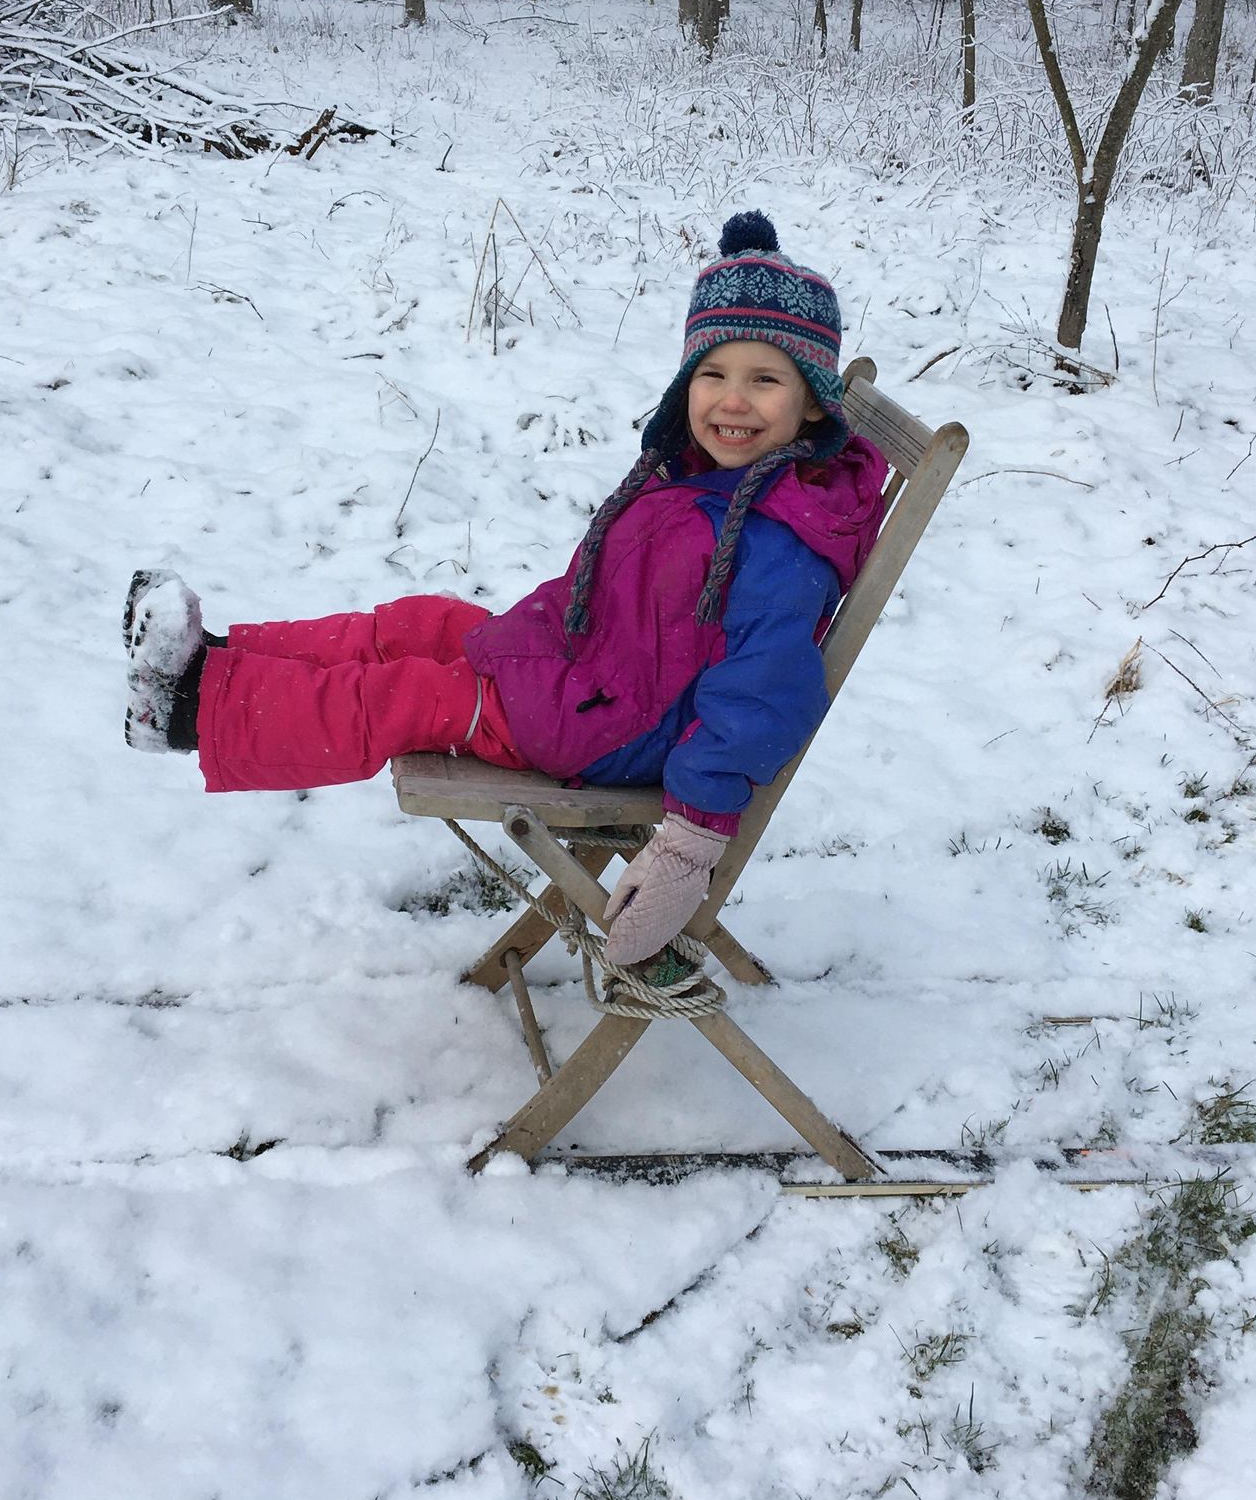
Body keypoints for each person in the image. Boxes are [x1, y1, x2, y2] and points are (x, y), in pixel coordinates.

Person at [123, 211, 886, 979]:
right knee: (420, 622)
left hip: (606, 727)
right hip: (578, 666)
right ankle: (214, 656)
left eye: (765, 381)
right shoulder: (706, 476)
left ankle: (190, 711)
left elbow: (758, 699)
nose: (732, 401)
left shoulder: (783, 546)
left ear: (813, 403)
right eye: (714, 374)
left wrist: (688, 849)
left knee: (411, 695)